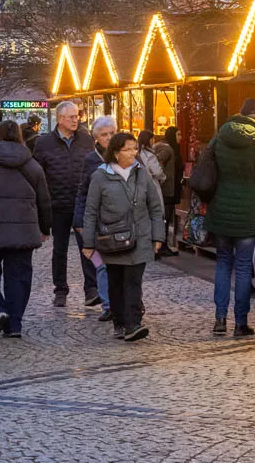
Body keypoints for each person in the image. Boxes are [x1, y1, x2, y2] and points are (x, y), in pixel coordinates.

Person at [0, 120, 50, 339]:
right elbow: (44, 201)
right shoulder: (32, 165)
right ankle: (15, 325)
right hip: (23, 232)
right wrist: (44, 227)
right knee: (19, 276)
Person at [203, 99, 255, 337]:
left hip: (221, 212)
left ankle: (219, 319)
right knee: (244, 267)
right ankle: (240, 323)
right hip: (247, 214)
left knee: (223, 264)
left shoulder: (219, 137)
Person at [82, 131, 165, 342]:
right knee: (116, 282)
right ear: (116, 153)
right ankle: (119, 321)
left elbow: (155, 208)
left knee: (133, 281)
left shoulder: (142, 173)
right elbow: (91, 211)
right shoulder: (100, 176)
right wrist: (89, 243)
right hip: (112, 239)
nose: (132, 153)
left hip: (140, 236)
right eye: (127, 149)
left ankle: (133, 324)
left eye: (134, 148)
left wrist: (158, 237)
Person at [32, 101, 97, 307]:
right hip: (57, 204)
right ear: (60, 119)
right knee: (59, 250)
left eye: (77, 116)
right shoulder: (44, 144)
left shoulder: (86, 141)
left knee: (86, 247)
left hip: (82, 203)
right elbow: (38, 175)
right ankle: (60, 289)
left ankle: (91, 289)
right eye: (71, 117)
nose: (76, 119)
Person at [74, 115, 117, 321]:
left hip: (122, 220)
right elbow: (83, 191)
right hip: (98, 221)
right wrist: (79, 222)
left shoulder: (127, 155)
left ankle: (130, 302)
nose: (109, 138)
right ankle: (108, 304)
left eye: (112, 133)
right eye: (104, 135)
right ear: (96, 138)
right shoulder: (92, 160)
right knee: (102, 265)